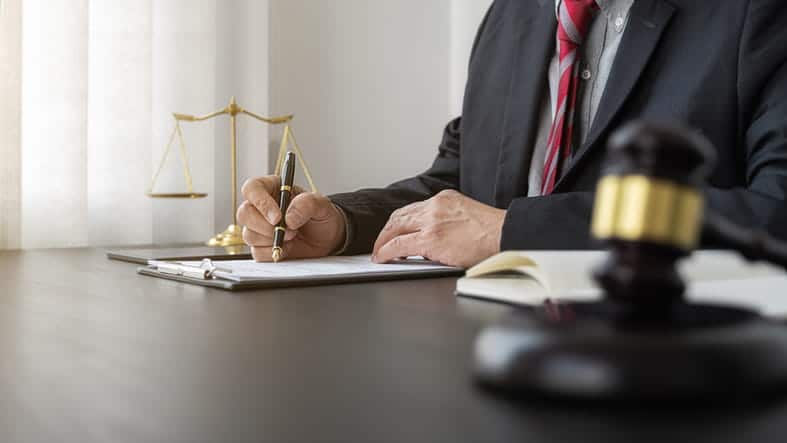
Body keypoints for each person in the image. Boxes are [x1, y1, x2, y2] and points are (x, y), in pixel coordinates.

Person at [238, 0, 787, 268]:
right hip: (484, 352)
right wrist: (341, 224)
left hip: (675, 370)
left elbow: (774, 214)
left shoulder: (755, 13)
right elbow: (462, 185)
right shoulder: (510, 17)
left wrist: (518, 229)